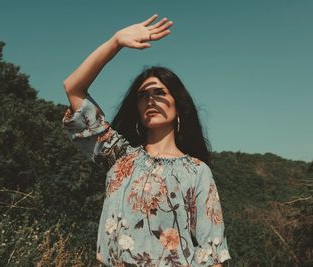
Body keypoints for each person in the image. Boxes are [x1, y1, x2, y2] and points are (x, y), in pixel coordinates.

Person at [62, 14, 231, 267]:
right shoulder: (119, 157)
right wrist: (116, 42)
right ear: (137, 110)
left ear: (178, 106)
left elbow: (212, 254)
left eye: (159, 93)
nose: (151, 99)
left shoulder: (197, 172)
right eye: (143, 95)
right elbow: (73, 88)